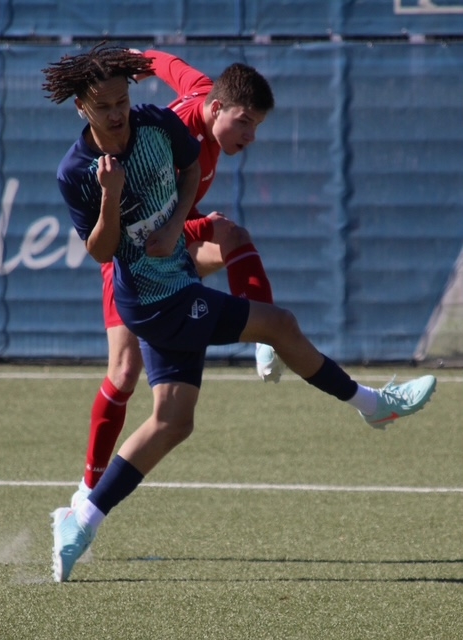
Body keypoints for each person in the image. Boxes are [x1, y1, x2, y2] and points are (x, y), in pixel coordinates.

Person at [42, 44, 437, 583]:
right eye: (104, 105)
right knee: (278, 325)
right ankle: (371, 404)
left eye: (122, 100)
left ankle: (81, 520)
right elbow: (102, 253)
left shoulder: (155, 124)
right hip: (154, 299)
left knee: (173, 421)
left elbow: (186, 165)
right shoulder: (77, 171)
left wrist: (175, 225)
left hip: (176, 275)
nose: (117, 113)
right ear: (81, 108)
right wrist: (111, 198)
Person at [70, 49, 284, 508]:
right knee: (124, 371)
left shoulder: (205, 90)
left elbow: (162, 62)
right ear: (217, 109)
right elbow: (146, 221)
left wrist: (127, 58)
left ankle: (265, 339)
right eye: (245, 122)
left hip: (171, 240)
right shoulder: (174, 133)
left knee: (232, 236)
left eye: (256, 126)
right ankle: (87, 488)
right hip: (133, 254)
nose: (250, 136)